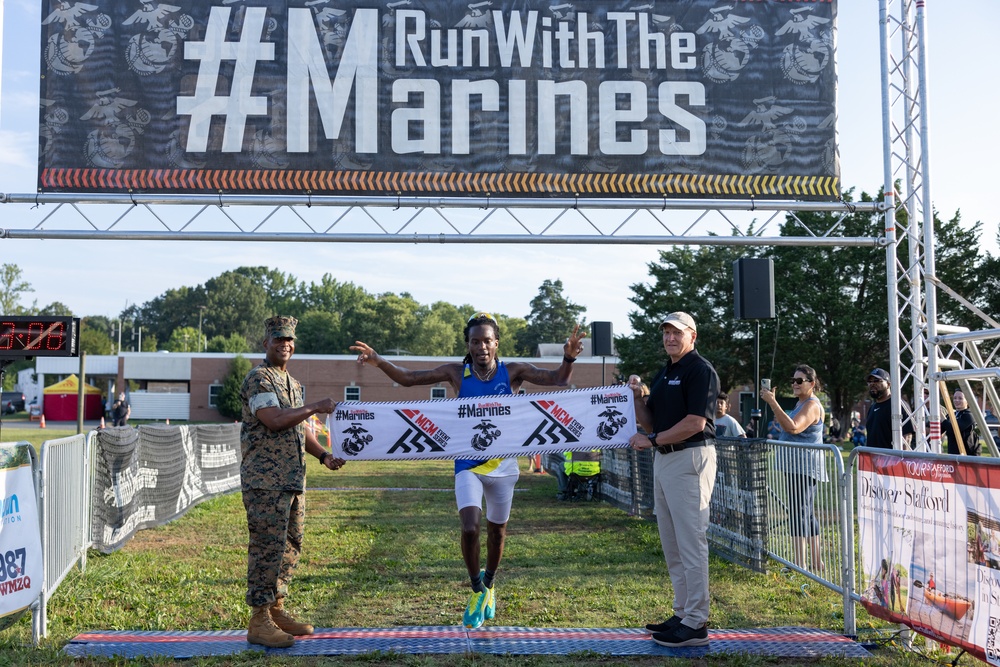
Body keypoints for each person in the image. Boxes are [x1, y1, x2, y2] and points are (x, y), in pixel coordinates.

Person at [351, 313, 586, 629]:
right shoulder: (456, 373)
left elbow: (559, 379)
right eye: (475, 341)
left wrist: (569, 357)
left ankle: (490, 583)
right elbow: (408, 378)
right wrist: (379, 361)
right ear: (469, 344)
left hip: (503, 465)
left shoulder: (512, 371)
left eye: (487, 340)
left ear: (496, 343)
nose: (481, 346)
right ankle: (477, 588)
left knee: (497, 532)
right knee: (470, 528)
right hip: (468, 464)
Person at [240, 316, 346, 648]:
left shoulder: (294, 384)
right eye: (278, 339)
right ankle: (259, 619)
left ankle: (277, 608)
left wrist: (324, 455)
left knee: (290, 546)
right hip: (265, 482)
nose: (285, 344)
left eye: (289, 340)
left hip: (292, 480)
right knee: (267, 548)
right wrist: (314, 406)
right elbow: (273, 420)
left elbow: (301, 430)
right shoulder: (259, 379)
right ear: (266, 344)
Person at [627, 311, 719, 648]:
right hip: (665, 459)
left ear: (692, 336)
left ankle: (696, 622)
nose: (670, 337)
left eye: (677, 332)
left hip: (690, 458)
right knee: (673, 543)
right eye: (666, 332)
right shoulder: (666, 372)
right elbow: (651, 423)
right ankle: (683, 613)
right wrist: (636, 398)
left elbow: (696, 423)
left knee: (691, 542)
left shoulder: (700, 370)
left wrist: (651, 441)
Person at [761, 365, 827, 572]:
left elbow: (793, 427)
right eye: (793, 380)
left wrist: (773, 403)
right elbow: (786, 425)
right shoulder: (801, 403)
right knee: (806, 513)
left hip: (804, 467)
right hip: (798, 465)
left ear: (812, 384)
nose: (795, 384)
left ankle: (800, 564)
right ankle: (816, 562)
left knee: (799, 513)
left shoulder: (812, 405)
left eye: (800, 381)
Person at [864, 368, 894, 449]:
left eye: (877, 380)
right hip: (873, 458)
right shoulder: (872, 407)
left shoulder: (897, 406)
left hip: (891, 459)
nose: (872, 384)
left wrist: (900, 461)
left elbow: (907, 437)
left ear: (888, 384)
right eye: (870, 381)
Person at [943, 389, 978, 455]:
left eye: (960, 398)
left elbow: (954, 429)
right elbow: (941, 429)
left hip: (966, 455)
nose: (956, 400)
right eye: (955, 398)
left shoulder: (969, 415)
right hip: (952, 453)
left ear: (967, 401)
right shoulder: (951, 415)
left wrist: (943, 420)